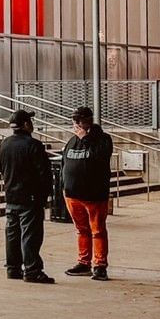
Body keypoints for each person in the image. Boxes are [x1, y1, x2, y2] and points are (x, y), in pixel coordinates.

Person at [0, 110, 55, 283]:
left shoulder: (4, 144)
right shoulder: (34, 145)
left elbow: (1, 168)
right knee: (30, 235)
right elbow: (44, 173)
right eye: (30, 121)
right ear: (26, 124)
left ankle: (13, 268)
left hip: (11, 196)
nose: (32, 124)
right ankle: (32, 270)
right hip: (30, 198)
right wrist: (45, 196)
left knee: (12, 234)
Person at [61, 106, 114, 280]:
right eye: (75, 120)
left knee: (97, 230)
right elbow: (64, 162)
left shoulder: (102, 139)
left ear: (89, 121)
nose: (77, 124)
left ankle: (99, 265)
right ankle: (84, 262)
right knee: (81, 230)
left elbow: (100, 157)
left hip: (94, 194)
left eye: (80, 121)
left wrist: (85, 138)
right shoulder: (71, 141)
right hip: (72, 194)